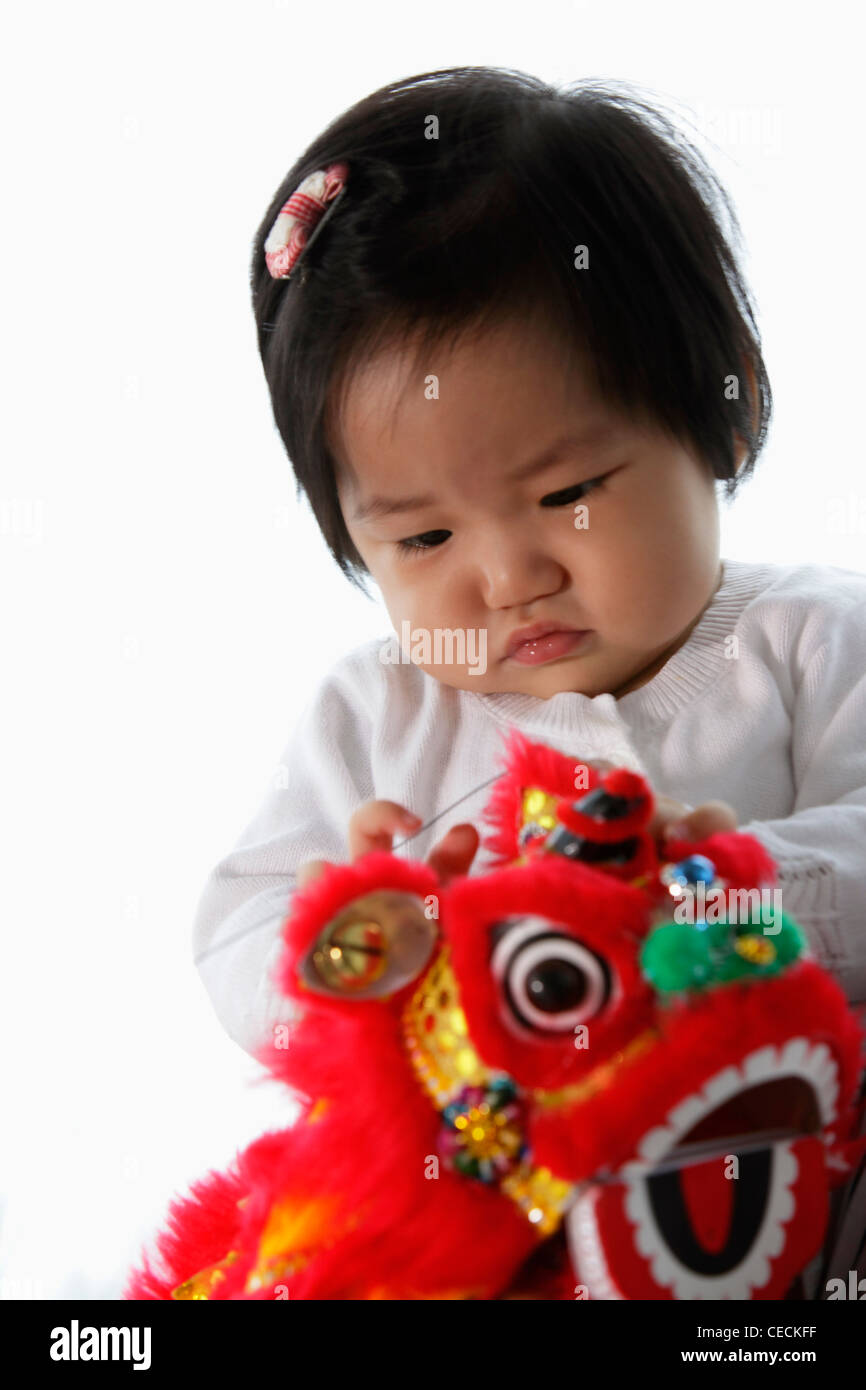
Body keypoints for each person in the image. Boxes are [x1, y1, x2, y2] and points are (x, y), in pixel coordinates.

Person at [192, 66, 866, 1077]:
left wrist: (710, 889)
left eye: (568, 495)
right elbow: (240, 928)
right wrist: (365, 941)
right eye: (423, 540)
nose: (507, 579)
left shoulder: (808, 643)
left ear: (724, 416)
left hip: (775, 1190)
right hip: (481, 1198)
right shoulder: (374, 714)